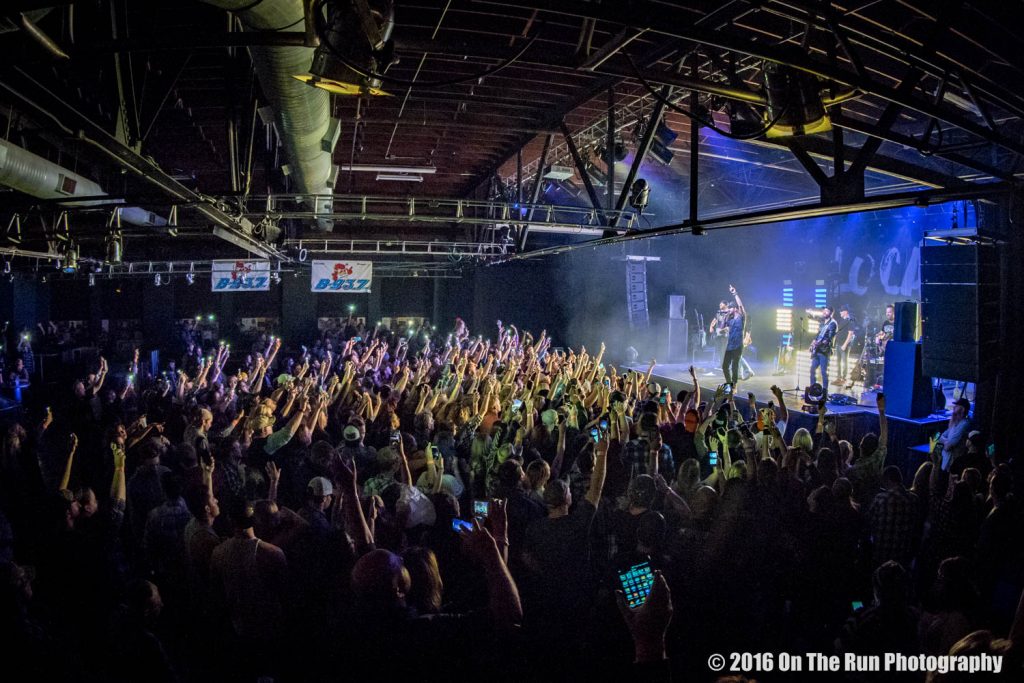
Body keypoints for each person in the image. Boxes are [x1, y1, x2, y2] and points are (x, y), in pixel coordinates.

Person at [807, 305, 839, 389]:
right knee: (812, 370)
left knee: (823, 372)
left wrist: (819, 343)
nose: (824, 312)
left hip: (824, 351)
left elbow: (829, 339)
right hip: (817, 350)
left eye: (827, 311)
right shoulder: (822, 321)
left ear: (831, 313)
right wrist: (814, 341)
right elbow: (818, 334)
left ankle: (825, 391)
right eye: (824, 310)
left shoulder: (832, 324)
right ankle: (813, 388)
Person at [721, 285, 746, 386]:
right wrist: (725, 317)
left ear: (735, 309)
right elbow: (722, 328)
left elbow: (741, 305)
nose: (729, 309)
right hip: (730, 345)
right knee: (724, 366)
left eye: (730, 308)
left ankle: (734, 384)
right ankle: (729, 383)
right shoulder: (729, 319)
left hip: (738, 345)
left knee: (734, 366)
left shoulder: (741, 317)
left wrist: (735, 293)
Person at [937, 398, 971, 471]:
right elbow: (940, 437)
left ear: (962, 409)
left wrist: (945, 442)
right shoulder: (954, 423)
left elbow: (949, 446)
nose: (954, 407)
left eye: (957, 406)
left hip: (952, 463)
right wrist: (946, 441)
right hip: (945, 461)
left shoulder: (964, 424)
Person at [835, 304, 857, 385]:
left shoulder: (850, 320)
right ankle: (838, 378)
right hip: (838, 343)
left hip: (844, 345)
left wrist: (844, 345)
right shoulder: (841, 320)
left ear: (846, 312)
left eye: (841, 311)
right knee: (838, 361)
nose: (840, 312)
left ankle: (844, 378)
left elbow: (850, 334)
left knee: (844, 361)